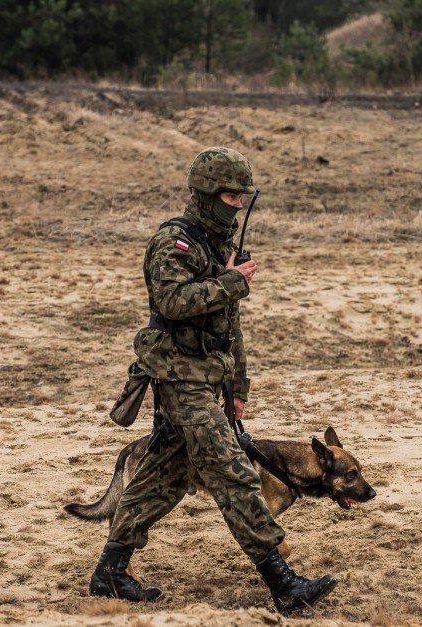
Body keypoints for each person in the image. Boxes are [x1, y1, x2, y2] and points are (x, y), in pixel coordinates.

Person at [86, 147, 337, 615]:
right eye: (230, 195)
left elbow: (229, 326)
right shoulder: (175, 244)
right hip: (179, 378)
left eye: (243, 196)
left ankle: (110, 572)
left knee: (163, 478)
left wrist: (238, 388)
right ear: (205, 195)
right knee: (235, 472)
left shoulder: (217, 246)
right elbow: (173, 302)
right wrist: (232, 281)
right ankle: (283, 585)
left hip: (207, 379)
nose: (238, 205)